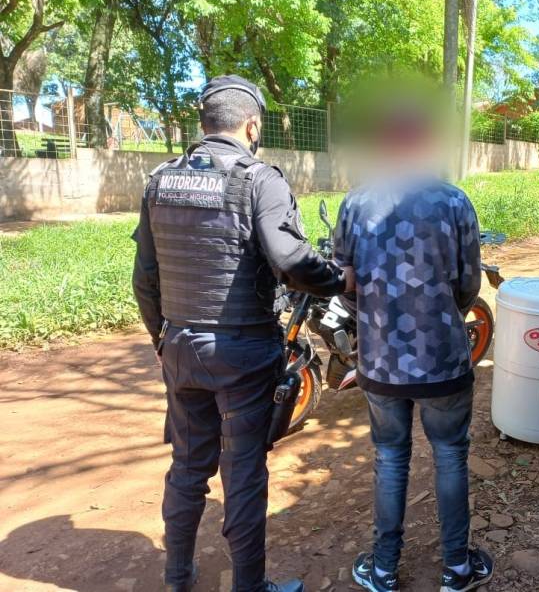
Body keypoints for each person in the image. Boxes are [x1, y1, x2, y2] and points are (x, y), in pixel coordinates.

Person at [132, 75, 353, 592]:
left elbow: (145, 277)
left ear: (205, 122)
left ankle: (177, 577)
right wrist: (340, 279)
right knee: (244, 473)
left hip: (180, 346)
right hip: (244, 351)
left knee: (187, 467)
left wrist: (162, 339)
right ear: (252, 126)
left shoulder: (160, 180)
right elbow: (291, 262)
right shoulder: (259, 179)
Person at [334, 84, 495, 592]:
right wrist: (443, 313)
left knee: (389, 456)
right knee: (450, 454)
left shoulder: (355, 203)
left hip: (380, 361)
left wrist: (373, 321)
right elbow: (469, 284)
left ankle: (383, 570)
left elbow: (345, 284)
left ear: (384, 141)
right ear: (425, 140)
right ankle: (457, 569)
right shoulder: (454, 201)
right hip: (443, 358)